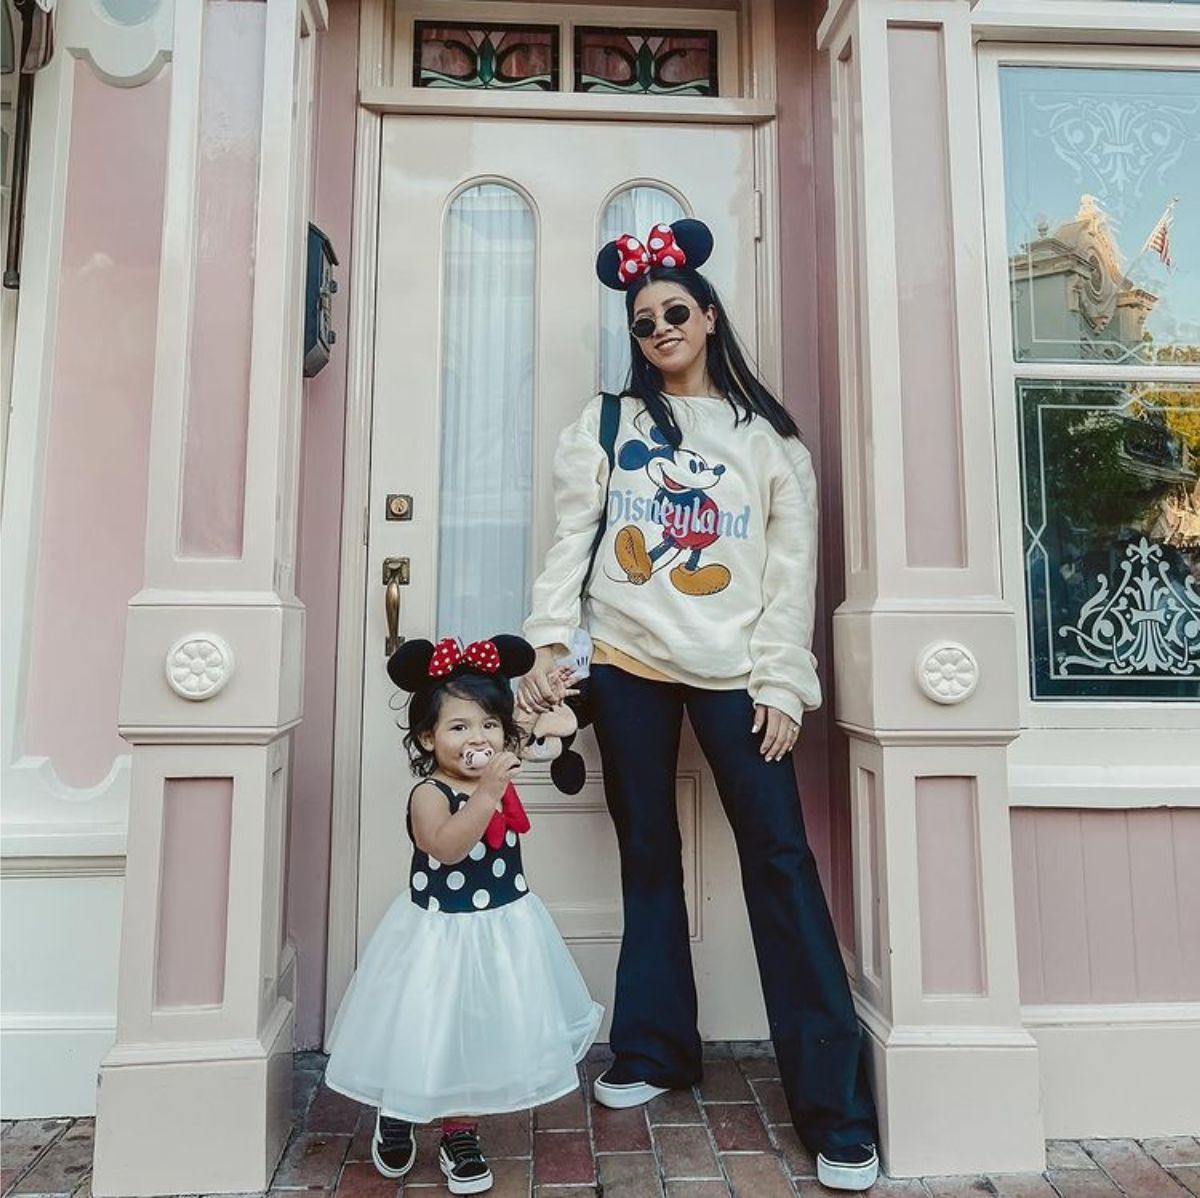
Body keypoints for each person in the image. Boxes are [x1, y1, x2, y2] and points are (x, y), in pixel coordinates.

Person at [517, 220, 879, 1191]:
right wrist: (552, 643)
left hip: (734, 671)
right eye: (643, 322)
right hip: (629, 657)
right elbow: (569, 545)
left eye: (675, 312)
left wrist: (780, 679)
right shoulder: (607, 423)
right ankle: (654, 1048)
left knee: (780, 859)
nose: (661, 329)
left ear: (709, 316)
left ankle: (836, 1109)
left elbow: (789, 575)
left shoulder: (770, 443)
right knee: (645, 851)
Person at [325, 634, 603, 1196]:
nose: (477, 738)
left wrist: (551, 698)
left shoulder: (498, 763)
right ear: (428, 737)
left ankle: (460, 1130)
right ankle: (398, 1109)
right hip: (437, 937)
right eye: (458, 727)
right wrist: (486, 796)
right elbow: (447, 847)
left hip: (502, 931)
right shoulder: (431, 793)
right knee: (424, 1028)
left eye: (487, 726)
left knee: (476, 1031)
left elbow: (543, 726)